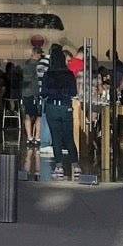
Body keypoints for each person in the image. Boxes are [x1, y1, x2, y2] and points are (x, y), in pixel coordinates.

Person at [39, 44, 79, 180]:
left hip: (51, 107)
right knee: (69, 138)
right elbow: (74, 92)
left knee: (56, 138)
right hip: (66, 107)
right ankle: (76, 166)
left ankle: (59, 167)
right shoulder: (69, 74)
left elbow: (43, 93)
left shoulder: (48, 74)